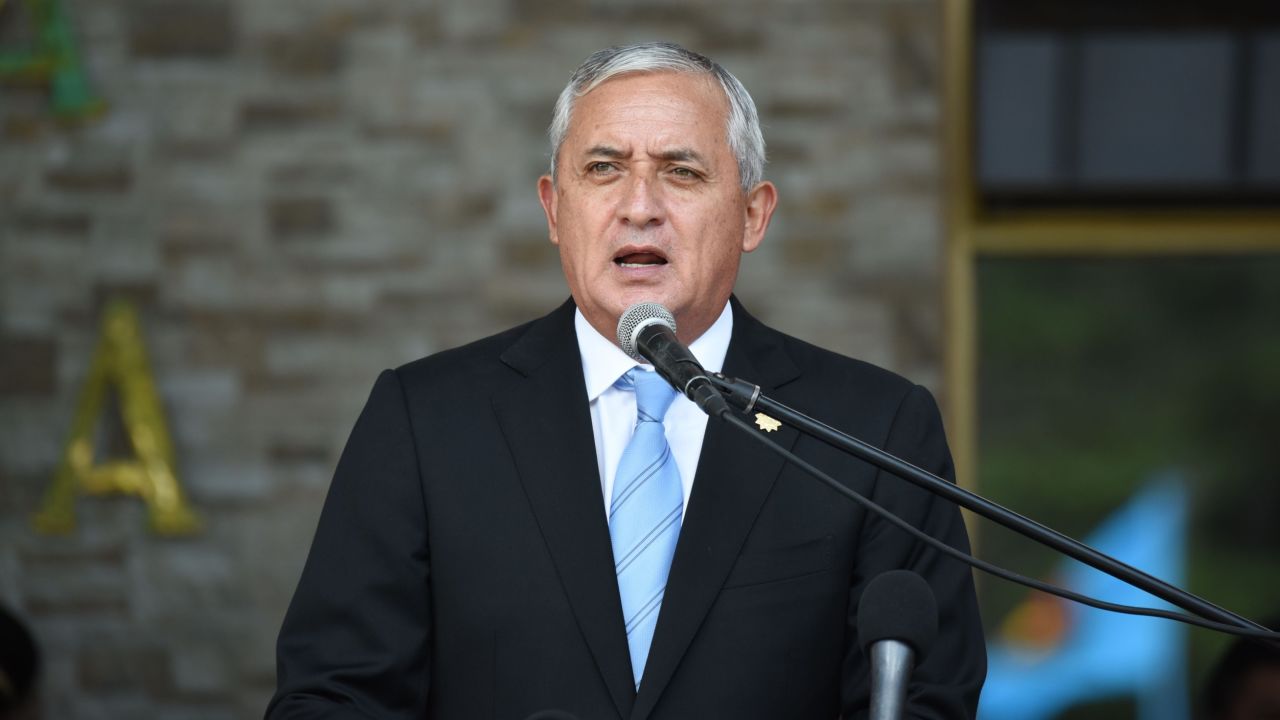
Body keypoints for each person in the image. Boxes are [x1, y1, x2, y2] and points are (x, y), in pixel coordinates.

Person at [268, 42, 985, 719]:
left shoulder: (874, 429)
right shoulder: (425, 421)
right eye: (604, 168)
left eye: (682, 171)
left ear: (752, 215)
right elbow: (332, 697)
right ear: (554, 208)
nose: (639, 206)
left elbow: (926, 702)